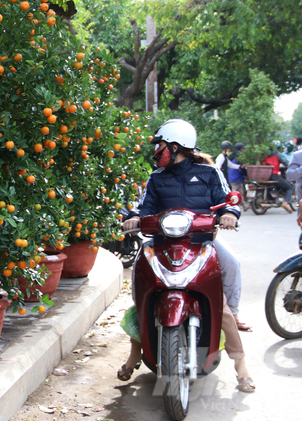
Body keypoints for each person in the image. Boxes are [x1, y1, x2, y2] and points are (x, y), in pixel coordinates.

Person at [116, 119, 255, 393]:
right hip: (164, 243)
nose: (157, 151)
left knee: (224, 297)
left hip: (201, 242)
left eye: (161, 146)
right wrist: (133, 218)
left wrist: (229, 214)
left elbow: (226, 199)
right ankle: (134, 357)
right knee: (142, 300)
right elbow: (145, 206)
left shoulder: (209, 172)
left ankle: (242, 367)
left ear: (175, 146)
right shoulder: (156, 177)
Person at [262, 145, 294, 213]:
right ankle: (285, 203)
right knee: (290, 188)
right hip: (273, 175)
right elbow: (286, 163)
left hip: (262, 175)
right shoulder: (277, 154)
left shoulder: (262, 154)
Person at [228, 142, 249, 212]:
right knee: (235, 193)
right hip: (237, 177)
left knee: (239, 192)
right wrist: (246, 175)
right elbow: (242, 168)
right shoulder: (239, 156)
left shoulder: (231, 156)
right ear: (241, 149)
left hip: (231, 177)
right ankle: (230, 206)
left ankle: (244, 205)